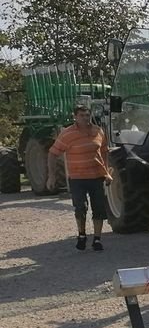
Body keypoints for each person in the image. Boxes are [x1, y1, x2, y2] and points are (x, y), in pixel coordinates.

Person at [47, 104, 112, 251]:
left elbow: (104, 152)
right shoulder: (67, 134)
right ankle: (81, 235)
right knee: (80, 208)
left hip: (96, 177)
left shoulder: (98, 131)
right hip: (77, 178)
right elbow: (52, 153)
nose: (85, 118)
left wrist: (107, 172)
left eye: (87, 115)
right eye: (81, 115)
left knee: (99, 209)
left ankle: (97, 239)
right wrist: (52, 176)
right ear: (75, 117)